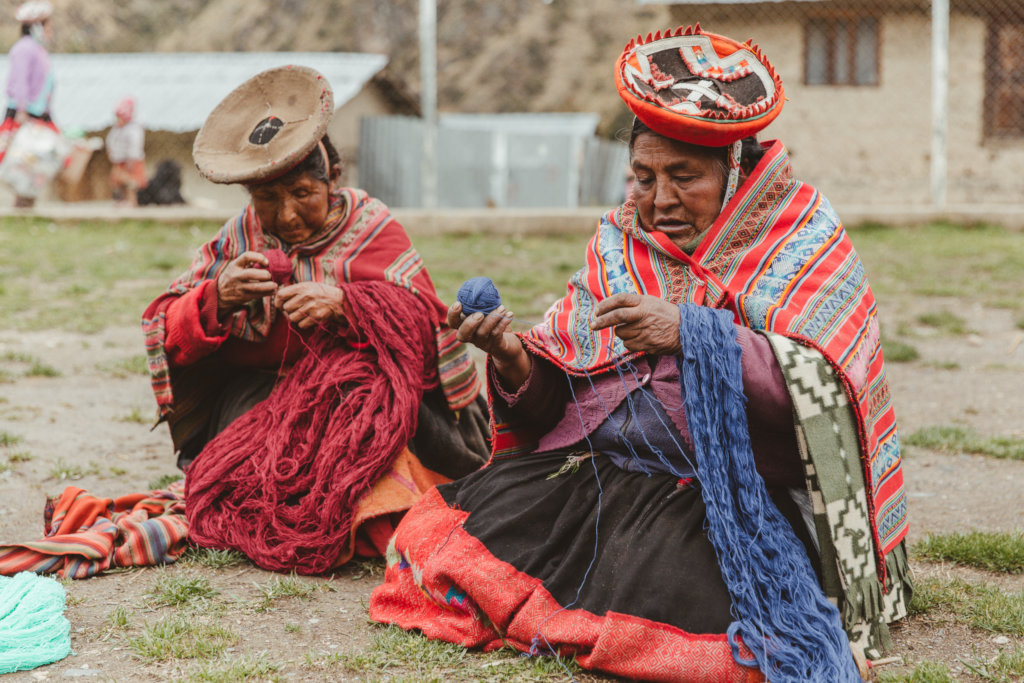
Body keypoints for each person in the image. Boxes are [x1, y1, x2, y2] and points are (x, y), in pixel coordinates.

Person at [369, 25, 912, 682]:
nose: (659, 200)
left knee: (713, 613)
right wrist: (511, 356)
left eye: (684, 176)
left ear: (734, 171)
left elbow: (823, 397)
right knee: (433, 536)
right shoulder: (620, 242)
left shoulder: (801, 239)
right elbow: (562, 393)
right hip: (608, 477)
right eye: (644, 177)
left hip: (738, 501)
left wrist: (692, 332)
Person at [141, 65, 489, 575]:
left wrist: (349, 305)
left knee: (368, 433)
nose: (286, 215)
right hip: (264, 401)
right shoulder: (237, 240)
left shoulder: (371, 228)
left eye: (303, 193)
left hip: (369, 397)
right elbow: (165, 330)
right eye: (267, 199)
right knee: (248, 474)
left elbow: (425, 331)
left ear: (334, 178)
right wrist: (216, 298)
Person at [0, 0, 56, 208]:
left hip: (39, 112)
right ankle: (22, 203)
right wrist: (22, 110)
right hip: (24, 113)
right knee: (20, 158)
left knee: (35, 161)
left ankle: (26, 202)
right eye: (47, 26)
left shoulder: (38, 50)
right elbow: (21, 81)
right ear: (36, 26)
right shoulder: (24, 49)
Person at [105, 96, 147, 206]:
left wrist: (131, 160)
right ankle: (122, 200)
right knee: (117, 181)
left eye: (120, 117)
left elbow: (135, 145)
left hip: (131, 161)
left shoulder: (133, 129)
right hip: (119, 160)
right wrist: (110, 150)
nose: (118, 120)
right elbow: (111, 140)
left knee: (130, 182)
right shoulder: (117, 128)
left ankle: (132, 201)